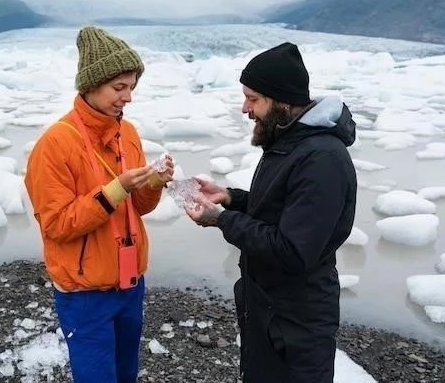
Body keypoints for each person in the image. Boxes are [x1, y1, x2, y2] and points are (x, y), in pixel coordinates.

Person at [185, 42, 357, 382]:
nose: (245, 108)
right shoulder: (291, 141)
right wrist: (230, 198)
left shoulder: (321, 159)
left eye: (253, 98)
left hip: (297, 324)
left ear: (282, 100)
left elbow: (292, 250)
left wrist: (221, 220)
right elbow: (280, 209)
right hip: (271, 310)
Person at [24, 26, 173, 383]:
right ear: (91, 84)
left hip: (130, 283)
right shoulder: (56, 144)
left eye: (132, 87)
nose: (128, 98)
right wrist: (112, 192)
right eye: (119, 88)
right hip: (84, 292)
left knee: (126, 374)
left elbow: (139, 208)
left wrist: (152, 184)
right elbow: (56, 225)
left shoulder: (129, 133)